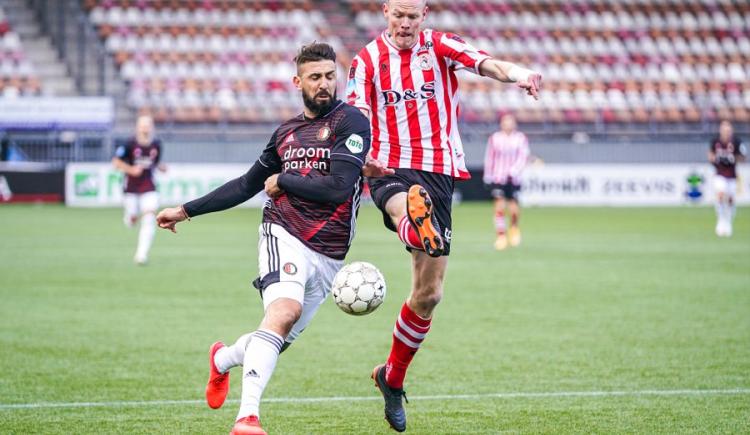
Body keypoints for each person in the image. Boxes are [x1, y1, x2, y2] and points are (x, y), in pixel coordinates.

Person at [156, 43, 371, 435]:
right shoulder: (285, 134)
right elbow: (246, 185)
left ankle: (222, 360)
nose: (324, 84)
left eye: (329, 76)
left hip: (330, 252)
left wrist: (284, 179)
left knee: (275, 337)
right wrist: (186, 210)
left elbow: (340, 188)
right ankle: (247, 419)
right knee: (283, 312)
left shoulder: (351, 122)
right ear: (297, 82)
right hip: (283, 231)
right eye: (314, 77)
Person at [346, 0, 542, 431]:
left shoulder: (440, 46)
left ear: (424, 15)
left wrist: (521, 74)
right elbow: (357, 114)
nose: (405, 23)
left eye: (412, 16)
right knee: (406, 206)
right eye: (398, 14)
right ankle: (412, 222)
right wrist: (358, 158)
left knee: (429, 294)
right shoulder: (366, 62)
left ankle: (391, 377)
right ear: (385, 12)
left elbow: (485, 63)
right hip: (388, 165)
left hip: (438, 170)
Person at [112, 115, 166, 265]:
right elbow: (115, 162)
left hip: (149, 186)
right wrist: (130, 169)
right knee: (132, 218)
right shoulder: (129, 143)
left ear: (152, 127)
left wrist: (161, 167)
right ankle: (130, 217)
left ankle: (141, 255)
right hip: (131, 188)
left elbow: (155, 163)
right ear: (137, 127)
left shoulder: (157, 144)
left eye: (148, 125)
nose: (145, 128)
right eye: (142, 125)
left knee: (149, 218)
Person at [483, 113, 530, 250]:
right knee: (499, 205)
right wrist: (488, 175)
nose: (508, 124)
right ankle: (501, 235)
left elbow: (523, 156)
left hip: (513, 178)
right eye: (505, 121)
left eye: (510, 121)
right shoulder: (495, 138)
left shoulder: (520, 138)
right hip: (498, 176)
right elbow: (490, 157)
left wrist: (515, 170)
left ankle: (514, 227)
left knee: (513, 208)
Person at [708, 120, 746, 237]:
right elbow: (710, 155)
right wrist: (716, 159)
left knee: (730, 199)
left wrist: (732, 158)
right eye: (724, 129)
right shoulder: (715, 141)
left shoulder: (737, 142)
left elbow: (743, 158)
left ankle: (728, 222)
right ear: (720, 130)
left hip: (732, 175)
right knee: (720, 194)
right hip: (719, 174)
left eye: (728, 129)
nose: (726, 131)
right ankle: (720, 221)